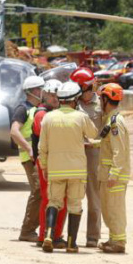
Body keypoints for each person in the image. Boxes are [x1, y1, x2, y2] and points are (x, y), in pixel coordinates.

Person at [38, 81, 99, 253]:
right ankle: (72, 244)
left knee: (54, 202)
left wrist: (44, 166)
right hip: (77, 170)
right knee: (75, 204)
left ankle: (49, 235)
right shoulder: (81, 117)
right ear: (74, 100)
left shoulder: (48, 118)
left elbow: (42, 147)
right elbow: (93, 133)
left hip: (56, 168)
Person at [96, 83, 131, 253]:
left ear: (105, 99)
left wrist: (114, 174)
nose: (99, 102)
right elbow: (108, 146)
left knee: (115, 209)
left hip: (113, 176)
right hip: (108, 174)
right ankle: (113, 239)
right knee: (108, 209)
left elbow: (119, 151)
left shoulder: (116, 122)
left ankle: (119, 242)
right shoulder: (110, 119)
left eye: (100, 99)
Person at [72, 67, 104, 248]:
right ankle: (68, 236)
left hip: (93, 155)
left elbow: (108, 128)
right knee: (72, 196)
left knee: (93, 196)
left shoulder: (101, 104)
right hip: (74, 154)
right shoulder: (71, 103)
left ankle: (93, 237)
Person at [33, 79, 66, 249]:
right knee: (50, 199)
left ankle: (52, 234)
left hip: (54, 160)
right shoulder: (42, 114)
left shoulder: (52, 113)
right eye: (52, 95)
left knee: (55, 198)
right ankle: (48, 235)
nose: (55, 98)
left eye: (57, 95)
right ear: (45, 94)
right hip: (47, 161)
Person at [11, 75, 45, 242]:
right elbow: (14, 131)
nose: (43, 91)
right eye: (40, 89)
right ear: (33, 91)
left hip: (37, 156)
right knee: (38, 190)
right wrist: (29, 148)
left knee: (40, 191)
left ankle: (35, 228)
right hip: (29, 157)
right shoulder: (22, 108)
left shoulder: (38, 109)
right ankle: (27, 230)